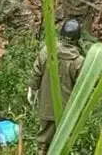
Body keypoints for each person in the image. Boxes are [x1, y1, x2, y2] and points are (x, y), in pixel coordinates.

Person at [28, 19, 84, 155]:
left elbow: (36, 72)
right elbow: (82, 85)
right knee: (63, 137)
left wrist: (32, 89)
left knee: (44, 137)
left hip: (46, 103)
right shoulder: (78, 61)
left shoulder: (47, 51)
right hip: (67, 107)